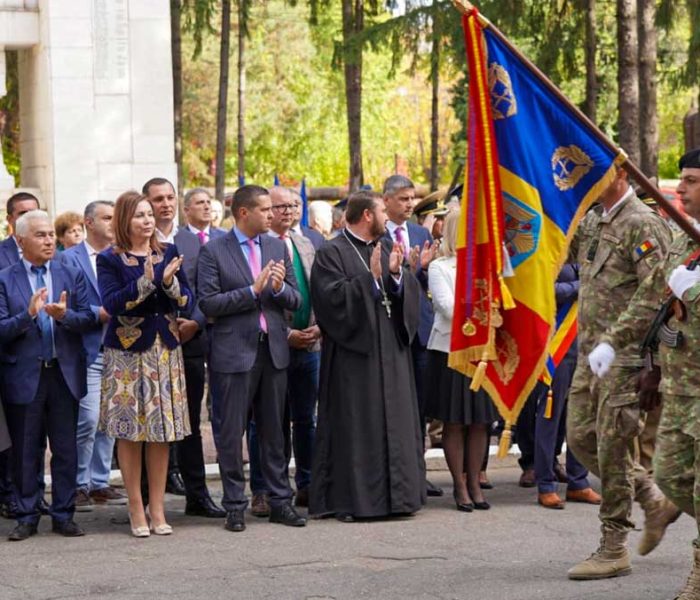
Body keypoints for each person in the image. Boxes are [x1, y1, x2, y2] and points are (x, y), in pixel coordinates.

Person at [591, 148, 700, 598]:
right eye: (683, 180)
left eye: (692, 180)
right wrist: (613, 343)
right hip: (679, 384)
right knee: (673, 477)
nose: (683, 188)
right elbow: (650, 299)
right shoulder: (680, 239)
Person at [566, 167, 677, 580]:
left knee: (614, 448)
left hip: (625, 357)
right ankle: (651, 497)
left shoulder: (643, 223)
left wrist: (616, 340)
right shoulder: (593, 219)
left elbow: (657, 293)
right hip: (590, 355)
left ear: (617, 176)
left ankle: (614, 545)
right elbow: (562, 252)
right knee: (579, 438)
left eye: (595, 175)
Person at [309, 190, 426, 521]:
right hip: (354, 357)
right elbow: (330, 300)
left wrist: (397, 276)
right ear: (366, 216)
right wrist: (370, 279)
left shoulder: (387, 246)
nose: (388, 218)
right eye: (382, 212)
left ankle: (401, 498)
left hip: (392, 350)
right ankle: (353, 502)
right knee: (358, 425)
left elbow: (405, 292)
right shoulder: (331, 252)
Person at [198, 184, 306, 533]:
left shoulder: (276, 245)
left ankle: (279, 501)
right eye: (264, 209)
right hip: (233, 353)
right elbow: (209, 304)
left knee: (274, 431)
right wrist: (252, 292)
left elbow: (296, 300)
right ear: (244, 212)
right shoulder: (214, 250)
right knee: (231, 433)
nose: (272, 215)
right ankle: (234, 505)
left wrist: (277, 289)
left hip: (273, 349)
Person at [98, 191, 193, 537]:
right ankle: (135, 507)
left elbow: (186, 298)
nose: (148, 220)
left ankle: (158, 507)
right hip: (126, 354)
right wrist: (149, 280)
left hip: (164, 351)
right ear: (125, 220)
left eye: (150, 214)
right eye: (139, 215)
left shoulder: (168, 251)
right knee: (129, 432)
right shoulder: (110, 259)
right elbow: (113, 304)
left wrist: (168, 283)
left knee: (160, 432)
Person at [0, 209, 94, 540]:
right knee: (26, 450)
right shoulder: (4, 277)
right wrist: (28, 315)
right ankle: (27, 515)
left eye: (51, 234)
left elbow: (88, 319)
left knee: (66, 448)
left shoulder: (70, 271)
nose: (49, 240)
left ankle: (63, 514)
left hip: (63, 373)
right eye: (40, 235)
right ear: (21, 239)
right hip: (24, 375)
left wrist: (65, 316)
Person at [143, 178, 226, 517]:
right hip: (148, 345)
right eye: (157, 199)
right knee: (149, 424)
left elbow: (204, 287)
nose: (165, 204)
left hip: (189, 340)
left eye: (170, 197)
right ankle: (148, 500)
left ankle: (197, 495)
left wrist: (194, 322)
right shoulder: (137, 241)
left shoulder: (192, 241)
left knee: (189, 421)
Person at [248, 186, 321, 510]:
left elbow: (317, 288)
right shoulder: (258, 248)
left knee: (306, 419)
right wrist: (286, 333)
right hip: (272, 346)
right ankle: (263, 489)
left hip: (310, 346)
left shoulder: (306, 242)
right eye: (281, 207)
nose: (289, 211)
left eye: (294, 205)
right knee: (266, 421)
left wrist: (320, 326)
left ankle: (307, 483)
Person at [426, 208, 497, 512]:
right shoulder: (440, 267)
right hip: (451, 352)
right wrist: (483, 310)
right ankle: (459, 485)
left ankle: (474, 483)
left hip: (483, 351)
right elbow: (447, 307)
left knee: (481, 421)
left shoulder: (487, 265)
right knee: (454, 421)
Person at [61, 200, 127, 511]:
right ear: (89, 223)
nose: (114, 223)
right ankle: (78, 483)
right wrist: (96, 313)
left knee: (110, 421)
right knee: (87, 419)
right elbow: (65, 305)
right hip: (87, 350)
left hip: (120, 349)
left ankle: (101, 482)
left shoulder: (121, 257)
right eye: (107, 218)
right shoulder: (68, 259)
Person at [382, 175, 441, 498]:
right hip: (391, 332)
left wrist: (423, 269)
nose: (409, 205)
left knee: (419, 407)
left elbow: (428, 279)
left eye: (412, 199)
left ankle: (419, 472)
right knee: (394, 405)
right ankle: (396, 472)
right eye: (403, 199)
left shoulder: (419, 233)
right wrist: (407, 269)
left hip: (420, 331)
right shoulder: (377, 236)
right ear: (386, 200)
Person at [535, 265, 600, 509]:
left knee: (581, 416)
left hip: (587, 341)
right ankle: (545, 484)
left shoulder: (591, 249)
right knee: (550, 415)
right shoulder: (551, 243)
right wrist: (581, 285)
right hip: (557, 343)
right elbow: (543, 289)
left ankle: (578, 481)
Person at [0, 191, 41, 519]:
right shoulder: (1, 257)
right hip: (8, 356)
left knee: (34, 438)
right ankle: (11, 495)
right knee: (12, 440)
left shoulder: (55, 257)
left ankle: (32, 495)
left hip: (42, 361)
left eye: (35, 211)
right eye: (23, 212)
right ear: (11, 220)